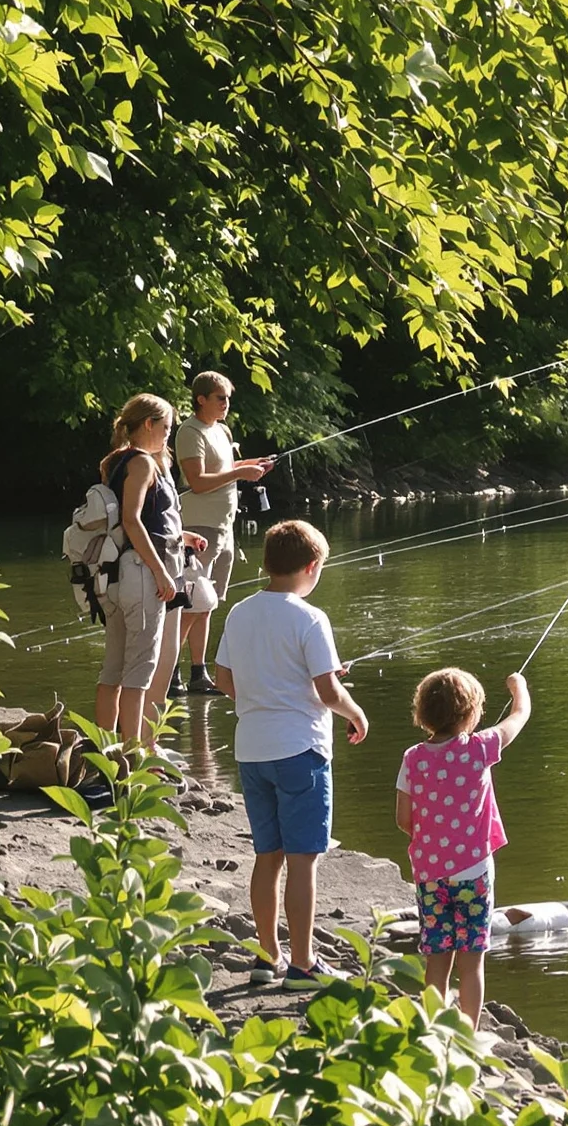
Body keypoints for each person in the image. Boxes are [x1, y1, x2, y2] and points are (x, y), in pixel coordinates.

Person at [213, 520, 368, 990]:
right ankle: (302, 964)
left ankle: (267, 957)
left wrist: (261, 695)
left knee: (268, 855)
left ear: (266, 565)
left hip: (252, 751)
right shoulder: (310, 618)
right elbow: (326, 690)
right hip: (301, 750)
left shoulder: (239, 611)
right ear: (312, 567)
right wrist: (356, 712)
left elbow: (222, 677)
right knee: (303, 860)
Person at [396, 666, 532, 1027]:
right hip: (474, 873)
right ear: (471, 713)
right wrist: (518, 687)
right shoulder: (481, 747)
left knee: (437, 960)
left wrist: (429, 838)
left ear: (423, 714)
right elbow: (519, 717)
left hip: (430, 877)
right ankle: (467, 1035)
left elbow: (403, 819)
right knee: (472, 961)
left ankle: (432, 1030)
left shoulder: (413, 758)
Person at [93, 393, 207, 750]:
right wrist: (161, 572)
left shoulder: (114, 461)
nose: (168, 435)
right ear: (148, 424)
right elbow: (131, 520)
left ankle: (105, 749)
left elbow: (135, 521)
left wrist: (180, 536)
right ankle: (135, 754)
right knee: (140, 672)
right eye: (167, 427)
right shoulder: (142, 463)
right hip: (142, 575)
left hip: (116, 576)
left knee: (112, 669)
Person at [173, 371, 275, 696]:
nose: (226, 404)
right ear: (201, 399)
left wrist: (252, 464)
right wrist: (241, 472)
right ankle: (170, 673)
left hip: (224, 526)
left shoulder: (222, 430)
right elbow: (198, 481)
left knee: (208, 604)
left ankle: (198, 673)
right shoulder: (190, 432)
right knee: (191, 604)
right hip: (197, 527)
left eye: (228, 398)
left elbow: (225, 470)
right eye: (220, 398)